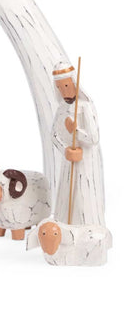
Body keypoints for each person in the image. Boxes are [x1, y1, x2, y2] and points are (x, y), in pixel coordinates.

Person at [51, 61, 105, 227]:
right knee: (68, 193)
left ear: (74, 83)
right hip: (69, 160)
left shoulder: (86, 107)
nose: (64, 91)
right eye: (59, 87)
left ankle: (87, 226)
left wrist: (76, 131)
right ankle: (64, 225)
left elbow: (94, 138)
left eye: (66, 85)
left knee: (83, 194)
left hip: (86, 160)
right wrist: (65, 149)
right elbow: (54, 134)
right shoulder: (62, 108)